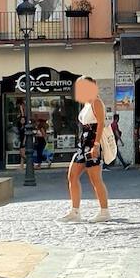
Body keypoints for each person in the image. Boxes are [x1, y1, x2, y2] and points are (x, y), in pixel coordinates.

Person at [60, 76, 111, 223]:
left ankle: (104, 211)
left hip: (92, 142)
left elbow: (101, 124)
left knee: (95, 178)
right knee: (72, 175)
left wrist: (95, 145)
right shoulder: (87, 104)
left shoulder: (96, 102)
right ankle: (75, 211)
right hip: (83, 143)